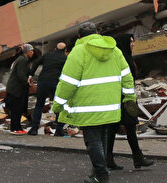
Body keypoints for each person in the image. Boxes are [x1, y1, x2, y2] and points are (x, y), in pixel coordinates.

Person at [54, 22, 135, 183]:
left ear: (79, 36)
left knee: (93, 142)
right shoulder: (115, 50)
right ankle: (97, 171)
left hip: (87, 107)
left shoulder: (77, 52)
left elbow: (67, 83)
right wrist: (129, 98)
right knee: (102, 137)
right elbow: (127, 76)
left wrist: (58, 104)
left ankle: (101, 175)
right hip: (111, 107)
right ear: (97, 32)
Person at [105, 34, 154, 170]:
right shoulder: (123, 59)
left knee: (115, 129)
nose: (133, 44)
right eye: (131, 41)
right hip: (126, 100)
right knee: (128, 128)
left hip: (120, 99)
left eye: (133, 41)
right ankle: (137, 158)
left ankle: (109, 158)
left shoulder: (120, 57)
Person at [27, 42, 68, 136]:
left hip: (43, 81)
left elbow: (36, 63)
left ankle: (34, 129)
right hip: (56, 83)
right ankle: (59, 130)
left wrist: (31, 75)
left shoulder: (47, 55)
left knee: (39, 105)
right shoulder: (65, 58)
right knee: (59, 105)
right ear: (65, 50)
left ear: (55, 49)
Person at [6, 43, 34, 134]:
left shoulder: (24, 59)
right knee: (16, 109)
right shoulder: (22, 60)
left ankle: (18, 127)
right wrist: (27, 81)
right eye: (31, 51)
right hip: (15, 89)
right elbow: (20, 74)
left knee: (18, 109)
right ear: (27, 52)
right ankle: (14, 128)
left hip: (17, 88)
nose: (32, 52)